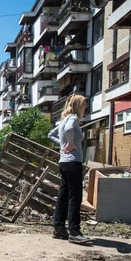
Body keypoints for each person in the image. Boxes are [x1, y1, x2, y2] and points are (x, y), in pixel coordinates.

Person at [48, 94, 91, 244]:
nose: (85, 108)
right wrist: (71, 143)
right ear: (78, 105)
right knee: (75, 197)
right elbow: (69, 129)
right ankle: (74, 231)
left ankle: (59, 228)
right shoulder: (72, 118)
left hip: (64, 163)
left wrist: (63, 145)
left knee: (63, 195)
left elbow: (50, 134)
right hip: (73, 162)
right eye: (84, 105)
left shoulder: (64, 119)